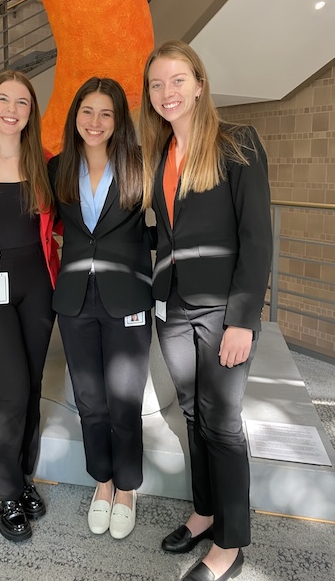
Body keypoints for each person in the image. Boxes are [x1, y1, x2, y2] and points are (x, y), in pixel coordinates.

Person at [140, 40, 272, 581]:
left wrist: (242, 318)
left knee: (222, 422)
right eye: (156, 84)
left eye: (176, 80)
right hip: (171, 308)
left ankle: (230, 545)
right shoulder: (161, 154)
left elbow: (256, 238)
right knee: (192, 415)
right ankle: (205, 512)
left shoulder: (237, 143)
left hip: (222, 310)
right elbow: (165, 232)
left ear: (198, 83)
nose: (167, 93)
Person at [48, 77, 153, 540]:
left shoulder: (139, 165)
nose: (95, 122)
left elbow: (163, 226)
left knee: (124, 400)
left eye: (106, 113)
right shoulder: (57, 169)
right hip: (75, 300)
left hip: (127, 296)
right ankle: (103, 483)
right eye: (87, 111)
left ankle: (128, 488)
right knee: (90, 400)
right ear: (75, 117)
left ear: (118, 120)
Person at [0, 70, 59, 542]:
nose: (12, 109)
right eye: (4, 98)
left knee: (34, 386)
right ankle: (2, 490)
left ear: (30, 112)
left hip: (38, 286)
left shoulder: (44, 162)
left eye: (22, 102)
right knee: (12, 391)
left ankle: (22, 479)